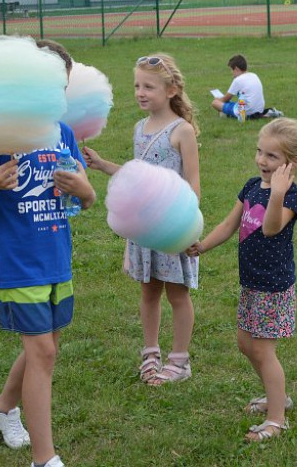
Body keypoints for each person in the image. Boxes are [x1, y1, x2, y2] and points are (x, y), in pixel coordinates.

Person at [0, 40, 95, 467]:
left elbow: (86, 197)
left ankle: (3, 409)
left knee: (45, 348)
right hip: (19, 264)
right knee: (44, 353)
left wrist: (85, 190)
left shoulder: (64, 134)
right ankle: (45, 458)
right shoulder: (1, 135)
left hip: (57, 258)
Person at [190, 117, 297, 443]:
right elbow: (230, 224)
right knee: (245, 344)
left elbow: (270, 228)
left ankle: (277, 419)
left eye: (272, 156)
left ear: (294, 163)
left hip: (273, 288)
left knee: (263, 351)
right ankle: (276, 396)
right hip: (251, 283)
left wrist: (276, 194)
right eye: (260, 152)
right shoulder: (251, 186)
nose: (262, 160)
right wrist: (203, 246)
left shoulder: (290, 198)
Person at [83, 53, 201, 386]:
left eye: (148, 86)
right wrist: (105, 164)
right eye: (137, 85)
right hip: (144, 229)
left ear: (172, 89)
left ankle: (179, 361)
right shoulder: (139, 129)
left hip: (172, 228)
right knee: (149, 293)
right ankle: (150, 353)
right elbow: (138, 178)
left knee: (178, 295)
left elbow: (192, 184)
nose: (140, 92)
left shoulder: (183, 131)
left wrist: (187, 225)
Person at [210, 54, 265, 119]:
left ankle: (227, 114)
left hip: (245, 112)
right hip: (259, 110)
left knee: (215, 103)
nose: (231, 72)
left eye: (231, 70)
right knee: (234, 103)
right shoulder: (254, 75)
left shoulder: (238, 80)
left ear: (236, 69)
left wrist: (218, 99)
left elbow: (226, 99)